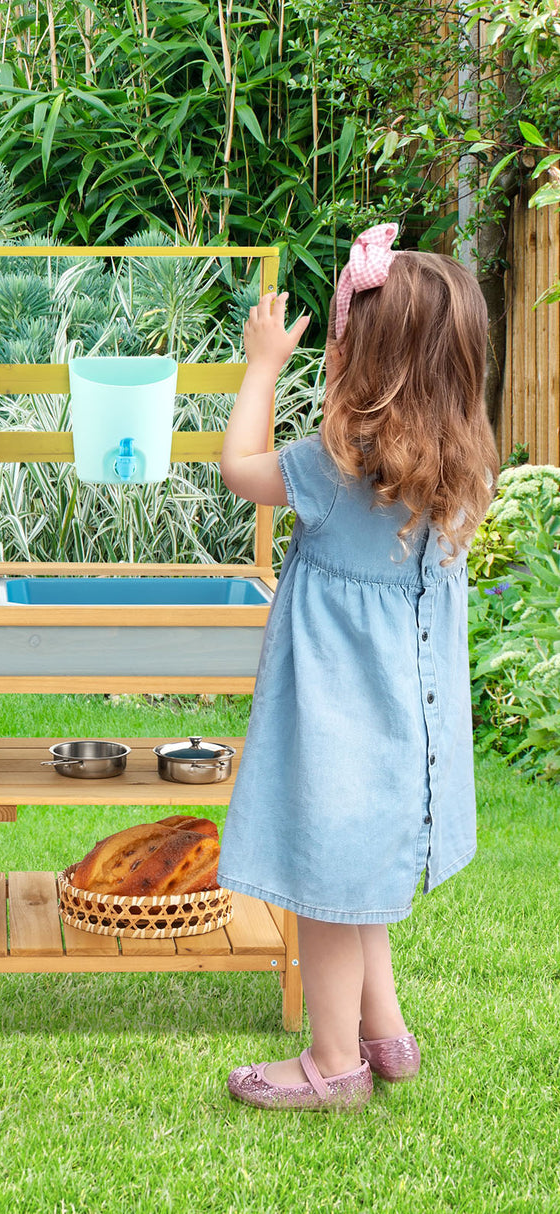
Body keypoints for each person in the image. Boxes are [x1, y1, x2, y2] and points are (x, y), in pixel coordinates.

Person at [216, 224, 497, 1111]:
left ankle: (333, 1062)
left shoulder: (334, 471)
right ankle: (386, 1033)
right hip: (407, 743)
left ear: (363, 361)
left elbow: (236, 468)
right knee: (360, 876)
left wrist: (262, 364)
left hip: (339, 729)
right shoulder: (459, 479)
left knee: (326, 888)